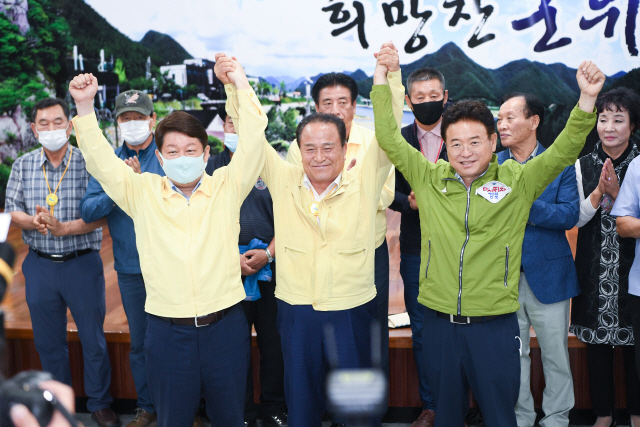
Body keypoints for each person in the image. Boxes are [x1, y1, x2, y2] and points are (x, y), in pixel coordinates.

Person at [372, 59, 603, 426]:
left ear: (493, 141)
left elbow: (563, 151)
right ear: (444, 146)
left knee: (500, 415)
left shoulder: (516, 180)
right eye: (456, 143)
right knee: (446, 415)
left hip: (495, 322)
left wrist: (587, 100)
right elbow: (386, 135)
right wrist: (381, 80)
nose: (465, 152)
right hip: (439, 321)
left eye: (475, 142)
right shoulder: (429, 178)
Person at [68, 55, 267, 427]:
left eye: (191, 150)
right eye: (172, 152)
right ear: (159, 157)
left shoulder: (227, 185)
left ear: (207, 154)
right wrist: (83, 105)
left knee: (229, 418)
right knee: (173, 419)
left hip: (225, 327)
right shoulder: (142, 191)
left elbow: (255, 138)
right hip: (166, 330)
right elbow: (98, 160)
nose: (182, 159)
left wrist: (238, 81)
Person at [220, 43, 400, 427]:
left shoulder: (363, 178)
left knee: (355, 406)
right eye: (310, 148)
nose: (319, 156)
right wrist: (236, 83)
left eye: (328, 148)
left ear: (344, 147)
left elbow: (389, 132)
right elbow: (253, 135)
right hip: (297, 308)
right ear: (298, 150)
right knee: (302, 402)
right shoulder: (284, 178)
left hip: (351, 306)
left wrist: (388, 79)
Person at [285, 68, 401, 404]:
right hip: (315, 254)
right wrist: (354, 189)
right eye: (327, 102)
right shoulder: (300, 146)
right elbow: (300, 200)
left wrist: (342, 188)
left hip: (367, 252)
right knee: (321, 331)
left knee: (370, 331)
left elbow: (386, 194)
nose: (336, 109)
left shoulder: (373, 142)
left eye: (343, 102)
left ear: (354, 106)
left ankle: (368, 409)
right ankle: (329, 407)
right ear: (316, 107)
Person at [4, 98, 119, 427]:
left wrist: (64, 228)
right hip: (39, 265)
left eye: (58, 122)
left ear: (69, 126)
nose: (52, 129)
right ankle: (59, 404)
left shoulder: (89, 163)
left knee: (93, 339)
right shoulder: (23, 165)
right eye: (44, 123)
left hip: (82, 263)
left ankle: (100, 403)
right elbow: (13, 208)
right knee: (48, 343)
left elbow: (101, 215)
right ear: (34, 129)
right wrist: (33, 222)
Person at [79, 90, 165, 427]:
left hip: (172, 266)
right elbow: (88, 210)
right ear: (116, 124)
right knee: (141, 343)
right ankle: (147, 408)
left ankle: (187, 408)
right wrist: (122, 185)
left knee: (182, 339)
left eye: (138, 118)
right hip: (131, 270)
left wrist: (142, 184)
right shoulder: (109, 163)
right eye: (125, 119)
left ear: (152, 120)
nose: (132, 124)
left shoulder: (171, 154)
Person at [497, 92, 580, 427]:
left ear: (533, 121)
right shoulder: (492, 166)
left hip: (549, 274)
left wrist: (525, 203)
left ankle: (558, 419)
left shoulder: (558, 164)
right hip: (501, 277)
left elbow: (569, 215)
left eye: (509, 118)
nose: (501, 125)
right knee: (514, 356)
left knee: (556, 355)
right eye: (499, 119)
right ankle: (521, 417)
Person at [205, 111, 287, 427]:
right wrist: (230, 260)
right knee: (231, 348)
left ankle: (273, 408)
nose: (236, 129)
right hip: (226, 271)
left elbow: (288, 218)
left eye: (242, 124)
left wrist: (267, 253)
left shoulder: (271, 165)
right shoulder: (210, 168)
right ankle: (240, 413)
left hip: (270, 266)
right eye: (230, 123)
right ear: (222, 129)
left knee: (273, 343)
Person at [571, 86, 640, 427]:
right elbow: (578, 218)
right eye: (603, 119)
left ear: (632, 125)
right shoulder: (583, 164)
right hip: (593, 268)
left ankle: (637, 414)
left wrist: (620, 195)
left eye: (618, 119)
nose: (609, 127)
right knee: (597, 349)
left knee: (636, 350)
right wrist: (601, 194)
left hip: (632, 269)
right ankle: (602, 415)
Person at [389, 67, 449, 427]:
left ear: (445, 96)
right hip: (415, 249)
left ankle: (463, 405)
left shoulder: (462, 134)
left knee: (462, 328)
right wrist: (406, 203)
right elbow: (385, 191)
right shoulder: (397, 140)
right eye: (419, 97)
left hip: (462, 248)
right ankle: (431, 406)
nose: (427, 102)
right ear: (408, 101)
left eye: (433, 95)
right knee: (424, 330)